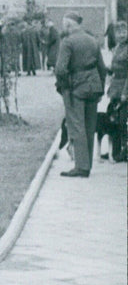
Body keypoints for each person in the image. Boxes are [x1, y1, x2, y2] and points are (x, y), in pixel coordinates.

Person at [54, 11, 108, 177]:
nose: (64, 29)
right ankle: (87, 165)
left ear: (69, 25)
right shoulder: (92, 40)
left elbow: (60, 69)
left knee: (77, 127)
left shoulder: (67, 42)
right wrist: (101, 88)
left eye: (64, 26)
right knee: (90, 127)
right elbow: (102, 68)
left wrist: (64, 88)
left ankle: (81, 167)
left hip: (75, 88)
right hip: (93, 87)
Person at [106, 20, 128, 161]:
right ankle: (114, 152)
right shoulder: (118, 47)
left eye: (124, 32)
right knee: (113, 120)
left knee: (122, 121)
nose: (121, 35)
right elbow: (114, 68)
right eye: (118, 32)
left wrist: (125, 93)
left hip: (125, 88)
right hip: (115, 87)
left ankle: (124, 151)